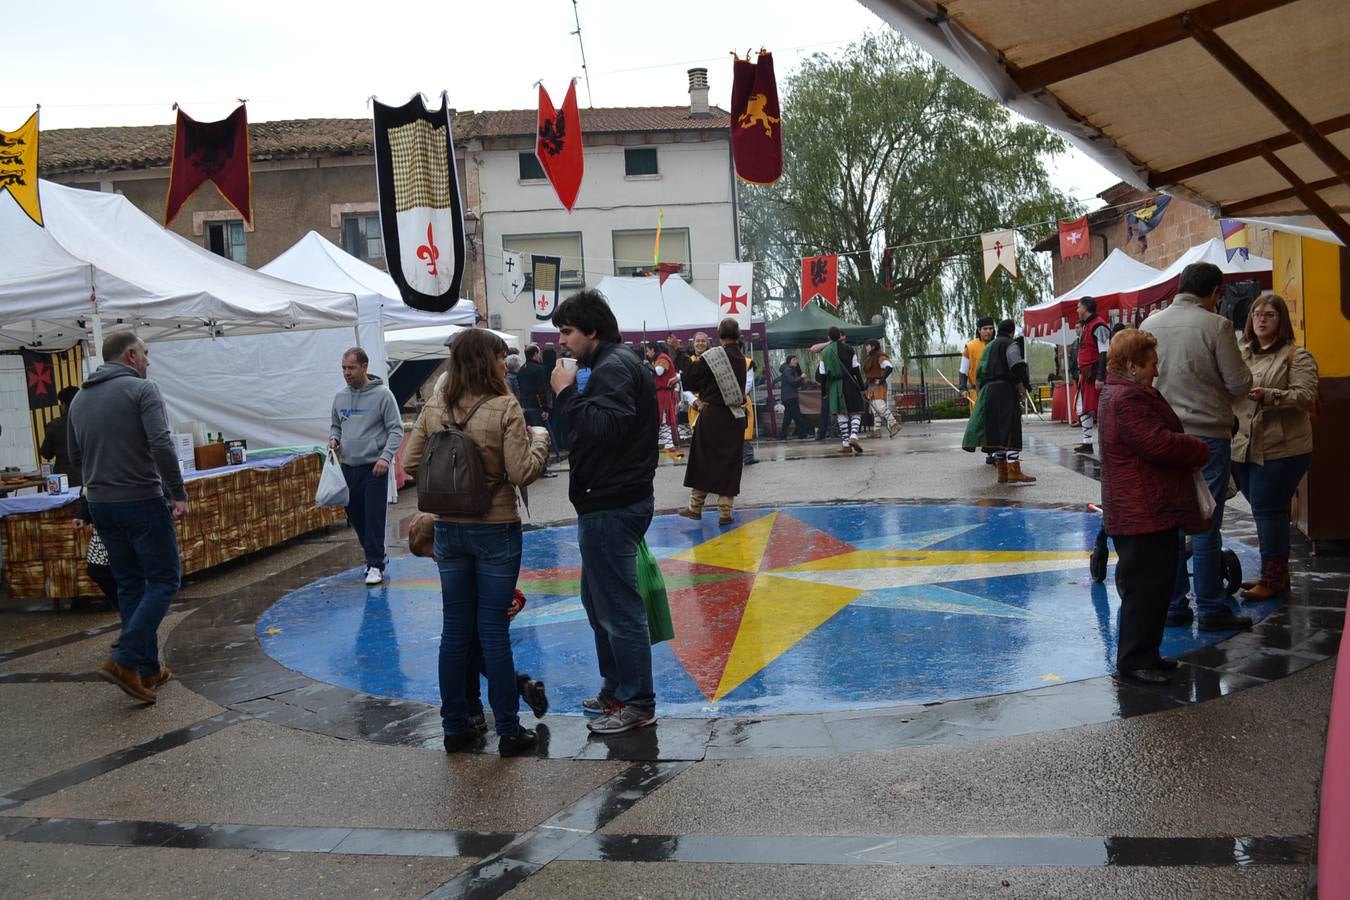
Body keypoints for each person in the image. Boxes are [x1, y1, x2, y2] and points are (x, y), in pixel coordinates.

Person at [402, 329, 550, 757]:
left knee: (454, 631)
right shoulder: (505, 406)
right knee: (493, 633)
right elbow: (522, 472)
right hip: (495, 526)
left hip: (448, 529)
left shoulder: (435, 406)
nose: (506, 365)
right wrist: (540, 443)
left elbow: (412, 462)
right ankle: (508, 730)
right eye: (500, 358)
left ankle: (455, 727)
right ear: (488, 362)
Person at [550, 289, 659, 735]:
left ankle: (637, 701)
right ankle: (618, 689)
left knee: (616, 607)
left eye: (568, 332)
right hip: (607, 498)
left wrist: (564, 396)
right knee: (599, 603)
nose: (562, 342)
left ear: (592, 331)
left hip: (612, 502)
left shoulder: (613, 368)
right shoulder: (612, 364)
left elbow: (606, 429)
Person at [68, 332, 189, 704]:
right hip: (141, 498)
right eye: (147, 354)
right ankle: (123, 659)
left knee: (130, 585)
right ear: (131, 355)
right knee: (165, 578)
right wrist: (177, 492)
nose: (149, 361)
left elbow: (75, 458)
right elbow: (161, 443)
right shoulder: (143, 390)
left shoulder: (79, 398)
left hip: (103, 503)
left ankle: (147, 668)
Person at [1142, 262, 1254, 631]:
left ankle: (1174, 606)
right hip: (1206, 435)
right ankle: (1211, 607)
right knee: (1206, 523)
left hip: (1161, 437)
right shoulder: (1216, 325)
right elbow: (1239, 383)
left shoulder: (1150, 324)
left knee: (1172, 522)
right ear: (1216, 292)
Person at [1098, 328, 1211, 684]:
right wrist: (1198, 447)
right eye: (1151, 364)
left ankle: (1147, 653)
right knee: (1145, 588)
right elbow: (1157, 444)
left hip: (1145, 509)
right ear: (1133, 366)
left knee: (1155, 585)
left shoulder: (1120, 392)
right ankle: (1135, 660)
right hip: (1141, 511)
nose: (1156, 371)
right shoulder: (1128, 398)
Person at [1231, 292, 1319, 601]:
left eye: (1269, 315)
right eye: (1257, 314)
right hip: (1243, 446)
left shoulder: (1297, 355)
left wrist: (1271, 395)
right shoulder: (1240, 353)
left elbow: (1307, 395)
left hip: (1283, 447)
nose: (1261, 320)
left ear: (1281, 321)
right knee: (1266, 510)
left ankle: (1273, 576)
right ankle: (1276, 572)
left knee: (1268, 509)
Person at [329, 347, 404, 586]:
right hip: (348, 466)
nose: (346, 373)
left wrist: (385, 457)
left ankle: (374, 564)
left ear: (364, 366)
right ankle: (376, 554)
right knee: (357, 518)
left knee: (373, 518)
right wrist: (334, 439)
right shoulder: (340, 397)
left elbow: (396, 429)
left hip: (374, 467)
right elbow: (335, 426)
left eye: (351, 368)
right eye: (343, 368)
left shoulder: (383, 395)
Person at [680, 318, 748, 525]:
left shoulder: (712, 357)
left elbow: (690, 378)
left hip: (712, 416)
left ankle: (695, 507)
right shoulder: (742, 358)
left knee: (703, 460)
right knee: (730, 463)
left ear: (718, 334)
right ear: (738, 334)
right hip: (735, 416)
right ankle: (725, 512)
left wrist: (679, 353)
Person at [962, 319, 1035, 483]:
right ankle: (1014, 471)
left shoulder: (988, 347)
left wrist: (981, 393)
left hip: (989, 392)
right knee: (1011, 429)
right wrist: (1026, 383)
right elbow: (1016, 365)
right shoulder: (1010, 344)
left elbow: (979, 372)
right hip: (1005, 390)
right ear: (1011, 331)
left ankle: (1003, 473)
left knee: (997, 432)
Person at [818, 326, 867, 455]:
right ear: (840, 336)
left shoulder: (825, 352)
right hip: (850, 383)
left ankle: (845, 443)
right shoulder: (849, 349)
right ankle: (854, 436)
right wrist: (862, 387)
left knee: (841, 414)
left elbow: (822, 375)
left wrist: (823, 392)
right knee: (856, 411)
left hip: (834, 385)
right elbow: (856, 370)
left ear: (828, 337)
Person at [1074, 297, 1112, 455]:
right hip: (1086, 374)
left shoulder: (1099, 325)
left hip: (1095, 374)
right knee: (1083, 408)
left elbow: (1104, 352)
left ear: (1085, 308)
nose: (1077, 310)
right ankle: (1087, 442)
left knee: (1102, 410)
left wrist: (1100, 377)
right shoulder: (1087, 325)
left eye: (1078, 307)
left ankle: (1108, 444)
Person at [960, 317, 996, 463]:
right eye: (985, 329)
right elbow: (963, 370)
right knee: (981, 422)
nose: (988, 331)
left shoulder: (997, 344)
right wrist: (963, 388)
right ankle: (987, 450)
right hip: (978, 392)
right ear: (979, 330)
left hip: (995, 389)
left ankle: (994, 452)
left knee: (995, 421)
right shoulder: (970, 347)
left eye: (990, 328)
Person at [645, 341, 684, 461]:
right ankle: (667, 443)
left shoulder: (662, 358)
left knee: (665, 418)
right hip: (661, 392)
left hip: (665, 392)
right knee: (662, 418)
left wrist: (648, 365)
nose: (647, 353)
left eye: (647, 351)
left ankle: (670, 444)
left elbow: (658, 372)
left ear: (652, 349)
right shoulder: (658, 359)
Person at [41, 385, 83, 487]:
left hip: (63, 480)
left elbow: (46, 453)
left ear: (64, 404)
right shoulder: (89, 421)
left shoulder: (54, 425)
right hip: (88, 477)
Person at [861, 339, 902, 439]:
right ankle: (877, 431)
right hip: (871, 386)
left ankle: (894, 425)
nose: (866, 347)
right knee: (875, 410)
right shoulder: (871, 358)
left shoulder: (880, 356)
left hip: (878, 386)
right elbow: (869, 375)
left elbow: (889, 367)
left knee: (880, 407)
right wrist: (864, 387)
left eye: (868, 345)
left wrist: (881, 380)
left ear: (873, 346)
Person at [778, 355, 810, 439]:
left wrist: (801, 380)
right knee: (797, 416)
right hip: (790, 397)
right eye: (794, 360)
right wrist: (801, 377)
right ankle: (802, 434)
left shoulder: (792, 370)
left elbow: (796, 383)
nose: (796, 361)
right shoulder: (788, 370)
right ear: (790, 361)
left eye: (796, 359)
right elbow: (792, 381)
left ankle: (783, 435)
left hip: (789, 396)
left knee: (788, 417)